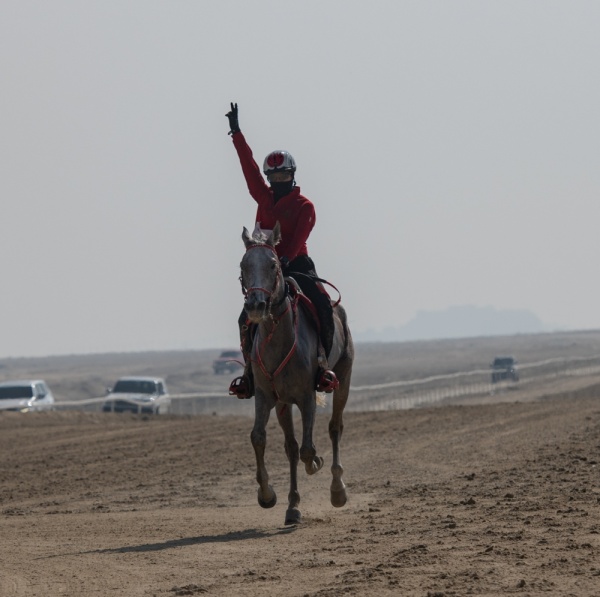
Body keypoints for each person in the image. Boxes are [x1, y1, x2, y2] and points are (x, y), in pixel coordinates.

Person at [225, 102, 337, 399]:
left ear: (292, 175)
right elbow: (248, 168)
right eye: (272, 178)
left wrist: (284, 258)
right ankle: (250, 374)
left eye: (282, 177)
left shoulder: (304, 206)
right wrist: (236, 133)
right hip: (266, 267)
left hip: (296, 263)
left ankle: (323, 363)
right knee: (244, 319)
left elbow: (300, 237)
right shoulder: (262, 196)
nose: (277, 182)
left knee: (322, 304)